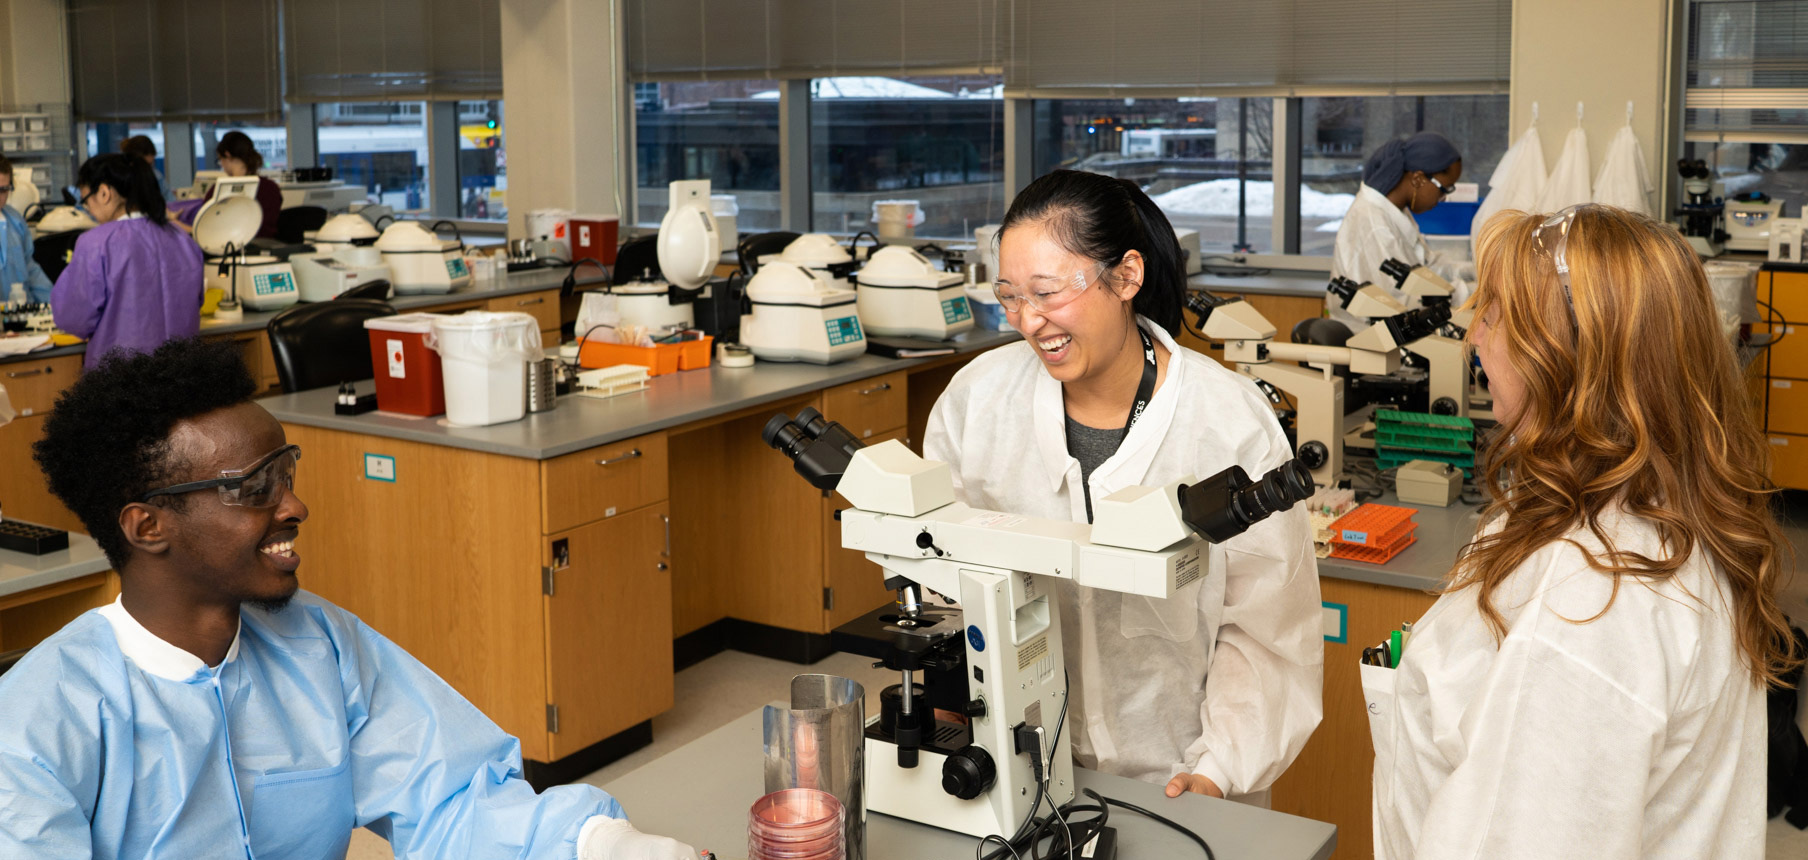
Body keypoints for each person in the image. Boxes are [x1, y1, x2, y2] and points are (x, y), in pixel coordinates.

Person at [2, 337, 697, 860]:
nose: (295, 505)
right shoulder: (38, 722)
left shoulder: (318, 643)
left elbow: (453, 796)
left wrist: (600, 843)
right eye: (255, 488)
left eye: (287, 471)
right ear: (147, 526)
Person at [1370, 205, 1801, 858]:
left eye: (1495, 316)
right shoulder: (1656, 516)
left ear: (1571, 359)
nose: (1474, 337)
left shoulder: (1593, 602)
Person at [925, 169, 1322, 804]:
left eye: (1048, 293)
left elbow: (1268, 628)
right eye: (1010, 297)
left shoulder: (1226, 420)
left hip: (1182, 776)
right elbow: (940, 584)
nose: (1029, 322)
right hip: (1015, 767)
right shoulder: (976, 404)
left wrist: (1219, 768)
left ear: (1126, 277)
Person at [51, 154, 204, 370]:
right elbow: (196, 302)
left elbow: (73, 318)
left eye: (86, 201)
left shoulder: (96, 243)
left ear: (104, 193)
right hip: (182, 376)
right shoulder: (182, 240)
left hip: (121, 381)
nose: (88, 209)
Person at [1328, 132, 1472, 328]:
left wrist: (1469, 271)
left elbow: (1425, 265)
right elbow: (1410, 297)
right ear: (1419, 179)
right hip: (1367, 337)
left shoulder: (1395, 211)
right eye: (1444, 189)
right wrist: (1472, 293)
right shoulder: (1374, 224)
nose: (1443, 199)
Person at [203, 130, 282, 239]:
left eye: (220, 159)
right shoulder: (271, 188)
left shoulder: (220, 189)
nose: (222, 164)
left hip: (229, 250)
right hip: (266, 248)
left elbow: (205, 227)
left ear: (227, 155)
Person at [0, 153, 54, 303]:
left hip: (21, 314)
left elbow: (30, 269)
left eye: (4, 190)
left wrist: (55, 305)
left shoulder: (15, 221)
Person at [119, 133, 171, 202]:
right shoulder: (123, 180)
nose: (148, 170)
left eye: (151, 165)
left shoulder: (156, 176)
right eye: (146, 165)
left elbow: (170, 200)